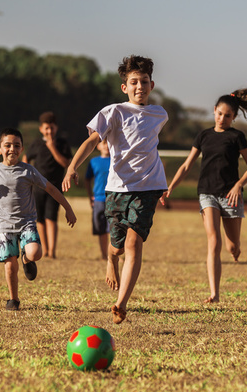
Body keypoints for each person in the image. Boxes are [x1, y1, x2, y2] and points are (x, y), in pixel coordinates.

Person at [62, 55, 168, 324]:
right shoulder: (113, 112)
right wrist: (72, 166)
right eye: (134, 82)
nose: (139, 86)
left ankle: (121, 303)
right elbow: (91, 141)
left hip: (148, 188)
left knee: (134, 244)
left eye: (144, 81)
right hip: (117, 190)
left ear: (152, 84)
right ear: (124, 87)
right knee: (117, 247)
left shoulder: (159, 114)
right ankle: (111, 261)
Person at [161, 82, 247, 304]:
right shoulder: (203, 136)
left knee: (232, 245)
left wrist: (238, 185)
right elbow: (187, 165)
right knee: (213, 241)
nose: (222, 119)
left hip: (231, 195)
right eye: (219, 114)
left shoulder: (237, 137)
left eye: (227, 116)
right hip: (207, 193)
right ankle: (214, 293)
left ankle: (236, 251)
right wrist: (170, 186)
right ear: (214, 111)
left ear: (234, 117)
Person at [0, 128, 77, 311]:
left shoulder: (28, 171)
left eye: (16, 145)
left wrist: (68, 208)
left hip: (26, 223)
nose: (12, 149)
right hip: (4, 226)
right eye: (7, 145)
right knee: (9, 265)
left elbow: (51, 189)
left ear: (22, 149)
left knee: (36, 252)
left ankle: (27, 260)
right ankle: (13, 299)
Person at [23, 111, 73, 259]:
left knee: (51, 218)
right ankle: (44, 250)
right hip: (37, 188)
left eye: (51, 128)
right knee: (40, 220)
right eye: (46, 128)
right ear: (41, 129)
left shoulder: (62, 144)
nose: (49, 131)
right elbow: (26, 157)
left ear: (56, 128)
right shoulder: (36, 143)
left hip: (55, 188)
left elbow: (66, 163)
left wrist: (52, 148)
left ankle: (52, 251)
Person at [85, 139, 111, 260]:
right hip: (99, 199)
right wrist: (90, 195)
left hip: (113, 199)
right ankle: (104, 255)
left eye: (109, 143)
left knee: (113, 230)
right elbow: (87, 179)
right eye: (104, 143)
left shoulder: (117, 160)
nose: (106, 146)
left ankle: (113, 255)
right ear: (98, 146)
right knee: (101, 229)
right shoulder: (93, 162)